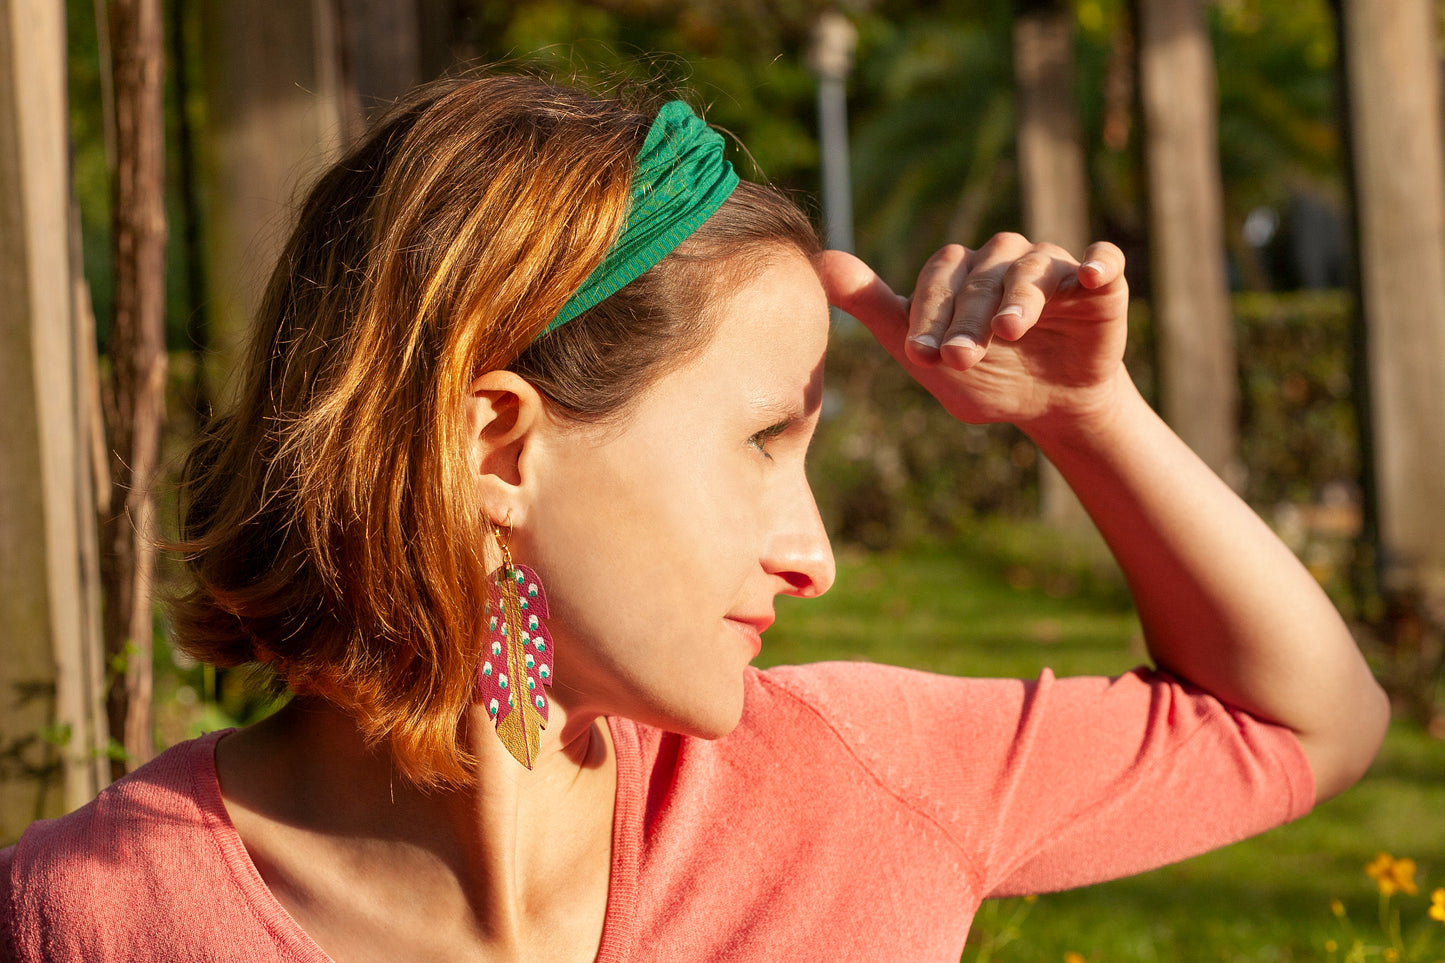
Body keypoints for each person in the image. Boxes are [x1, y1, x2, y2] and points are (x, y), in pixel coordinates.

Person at [2, 74, 1388, 963]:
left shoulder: (859, 786)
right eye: (762, 441)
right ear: (496, 446)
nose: (815, 555)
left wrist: (1086, 416)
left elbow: (1305, 727)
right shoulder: (89, 916)